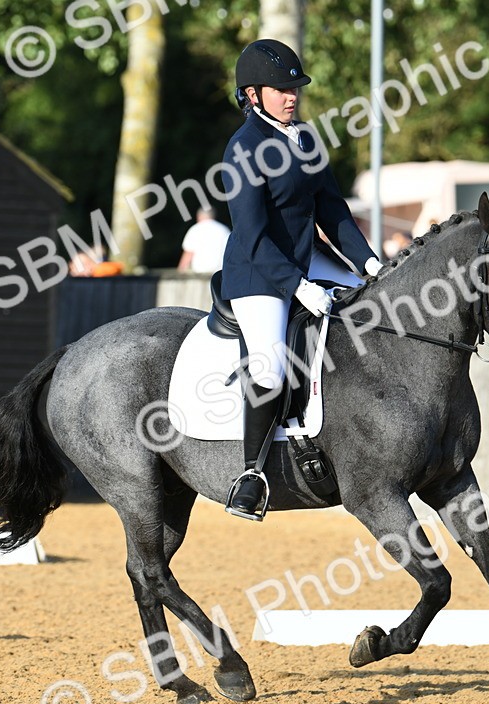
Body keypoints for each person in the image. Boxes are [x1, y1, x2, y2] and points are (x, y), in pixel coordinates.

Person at [220, 38, 382, 520]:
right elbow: (251, 236)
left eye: (296, 88)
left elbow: (332, 211)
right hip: (258, 275)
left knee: (374, 303)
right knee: (269, 367)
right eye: (281, 89)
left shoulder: (306, 139)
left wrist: (369, 265)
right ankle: (251, 474)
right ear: (253, 94)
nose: (292, 96)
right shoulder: (243, 148)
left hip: (306, 261)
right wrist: (298, 286)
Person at [177, 207, 231, 274]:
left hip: (200, 274)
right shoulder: (224, 229)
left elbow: (188, 254)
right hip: (220, 273)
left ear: (199, 216)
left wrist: (180, 272)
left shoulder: (195, 229)